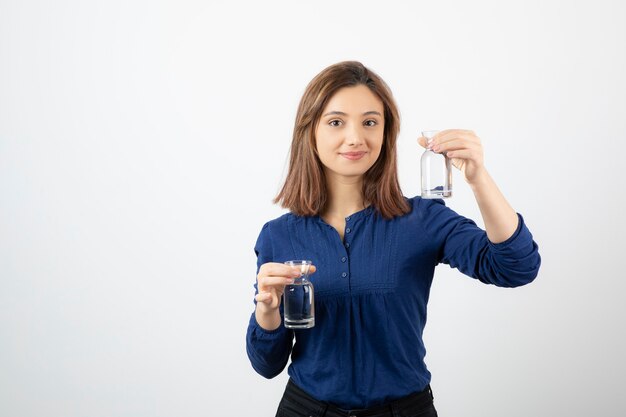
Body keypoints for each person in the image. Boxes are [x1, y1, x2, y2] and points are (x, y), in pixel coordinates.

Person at [245, 61, 541, 417]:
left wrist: (478, 178)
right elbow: (266, 364)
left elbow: (517, 267)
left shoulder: (423, 220)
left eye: (370, 122)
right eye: (336, 122)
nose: (355, 137)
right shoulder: (278, 235)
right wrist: (267, 310)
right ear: (310, 132)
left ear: (386, 133)